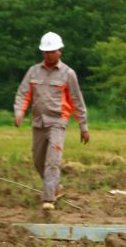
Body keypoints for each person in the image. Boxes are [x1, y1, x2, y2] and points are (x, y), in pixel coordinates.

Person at [14, 32, 90, 211]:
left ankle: (48, 199)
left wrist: (83, 127)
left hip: (58, 122)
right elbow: (23, 94)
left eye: (52, 52)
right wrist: (19, 112)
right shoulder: (33, 72)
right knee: (38, 161)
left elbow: (77, 100)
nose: (48, 55)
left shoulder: (68, 74)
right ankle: (56, 187)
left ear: (60, 51)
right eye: (45, 52)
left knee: (52, 161)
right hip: (38, 123)